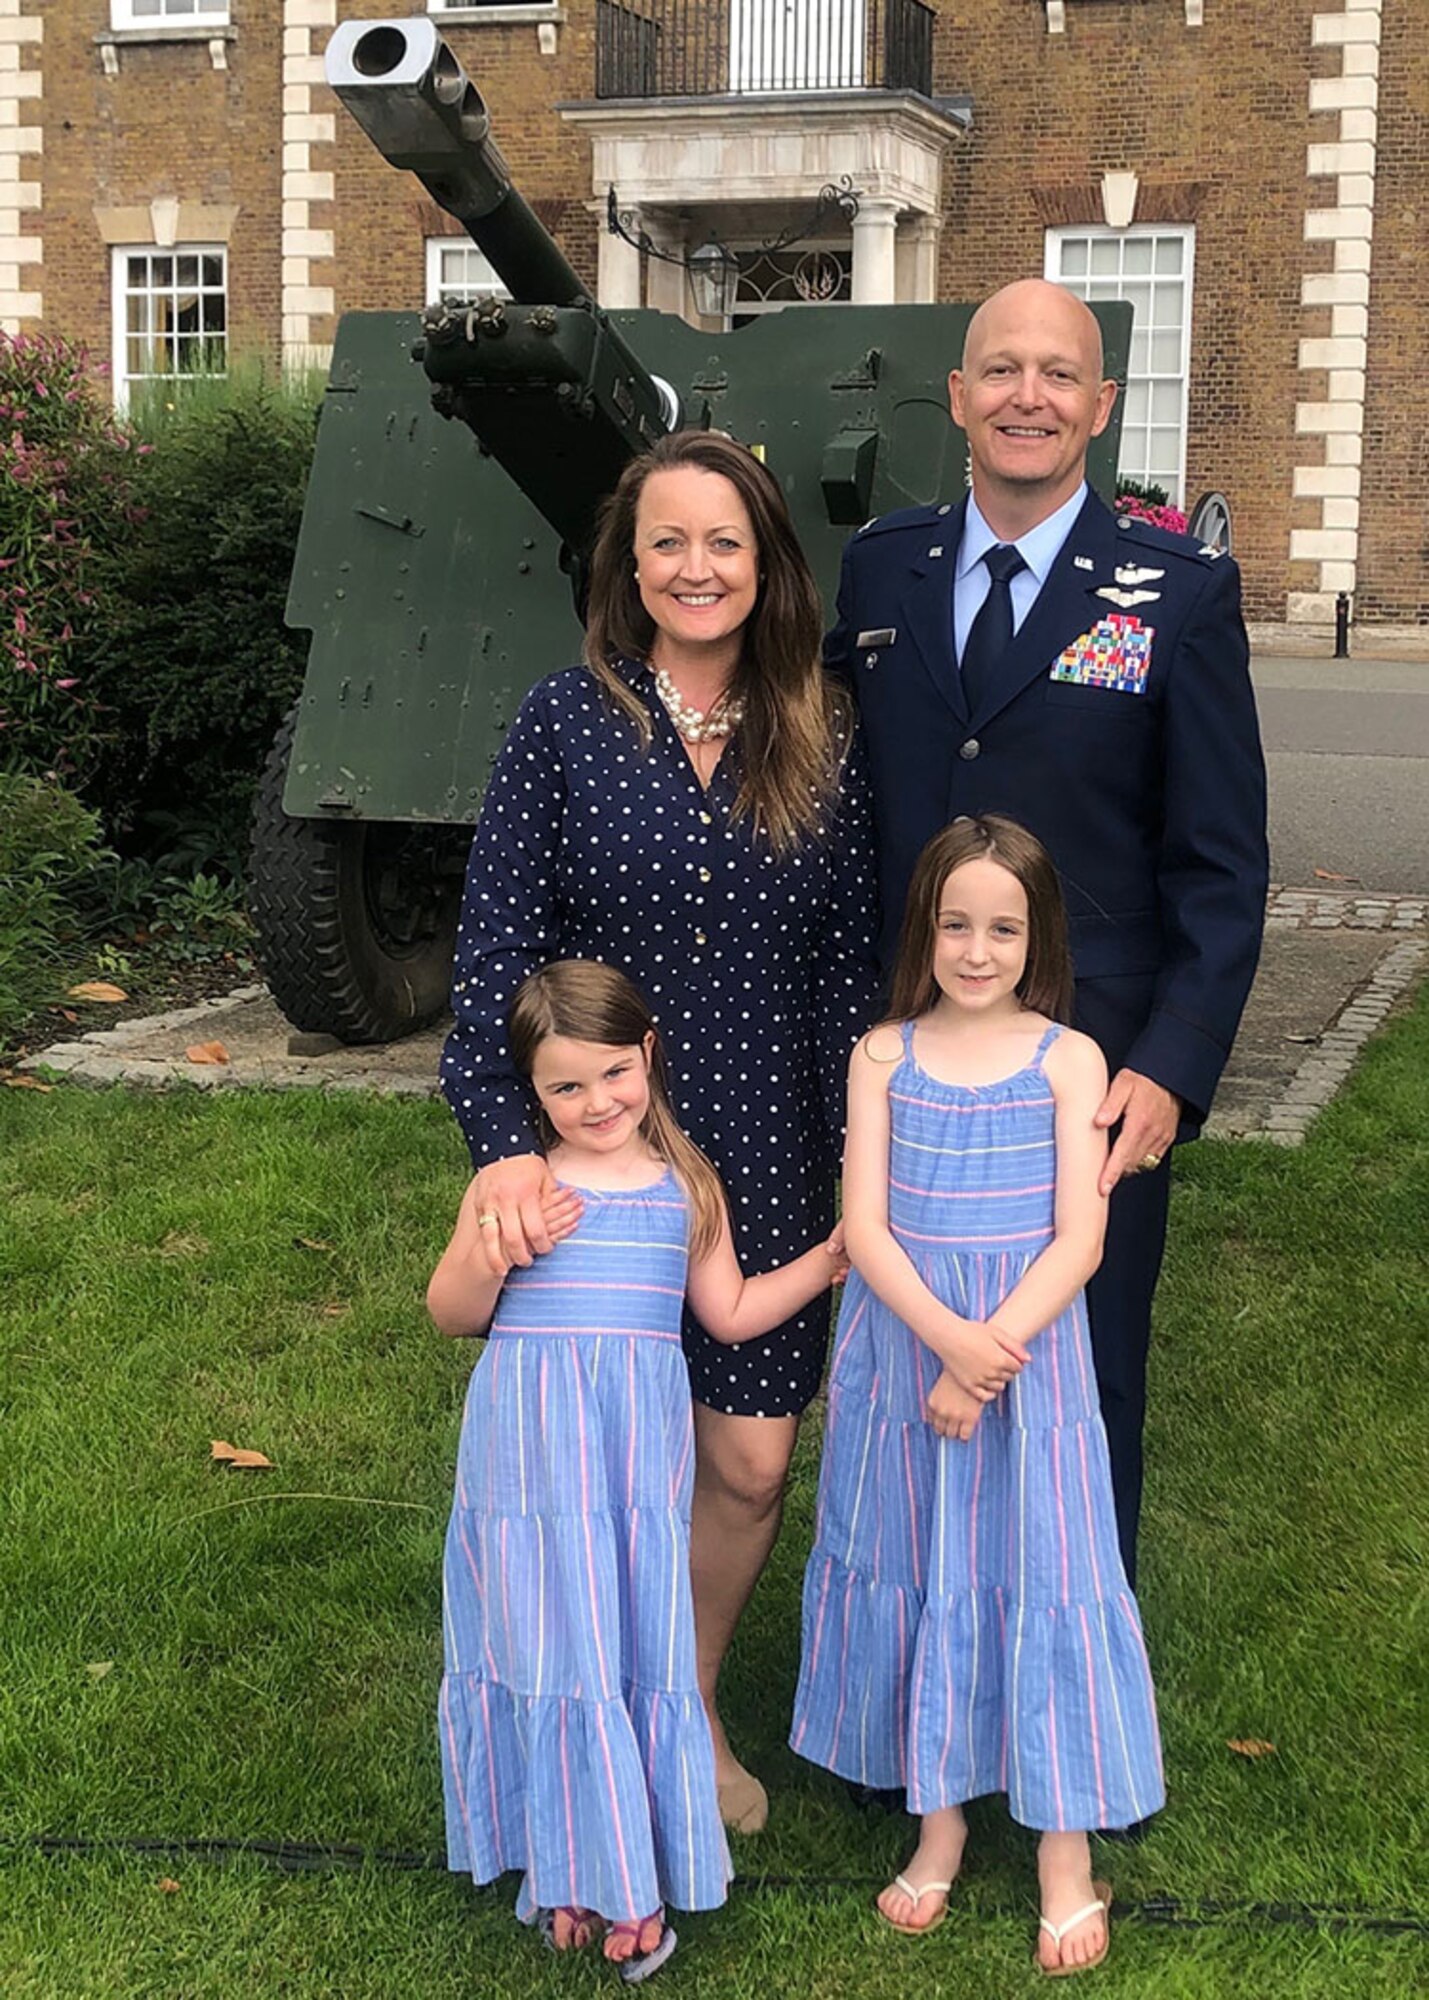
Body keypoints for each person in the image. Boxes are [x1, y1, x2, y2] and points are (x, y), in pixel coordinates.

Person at [440, 429, 880, 1832]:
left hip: (769, 1140)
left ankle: (680, 1700)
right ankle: (589, 1711)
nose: (699, 568)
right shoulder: (560, 725)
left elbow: (849, 968)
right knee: (607, 1460)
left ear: (766, 564)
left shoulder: (821, 728)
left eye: (725, 543)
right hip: (604, 1157)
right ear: (627, 569)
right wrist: (509, 1146)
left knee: (748, 1461)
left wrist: (865, 1156)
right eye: (669, 543)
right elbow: (492, 957)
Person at [826, 278, 1268, 1581]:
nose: (1029, 395)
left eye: (1059, 374)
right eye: (1002, 371)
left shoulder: (1174, 593)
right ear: (957, 399)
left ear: (1101, 407)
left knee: (1085, 1377)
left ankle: (1071, 1705)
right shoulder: (879, 569)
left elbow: (1221, 863)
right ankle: (926, 1686)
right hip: (914, 1066)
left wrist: (1174, 1065)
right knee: (916, 1368)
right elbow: (858, 818)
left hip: (1095, 1072)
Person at [790, 817, 1164, 1973]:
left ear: (1035, 934)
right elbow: (866, 1224)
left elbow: (1081, 1235)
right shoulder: (881, 1056)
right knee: (921, 1564)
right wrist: (948, 1346)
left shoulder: (1069, 1058)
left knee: (1040, 1571)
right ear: (925, 929)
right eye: (955, 922)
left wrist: (990, 1350)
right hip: (906, 1351)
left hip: (1026, 1360)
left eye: (1003, 925)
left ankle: (1064, 1848)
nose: (976, 946)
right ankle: (938, 1818)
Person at [431, 960, 849, 1978]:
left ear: (648, 1055)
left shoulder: (685, 1185)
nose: (594, 1102)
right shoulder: (522, 1183)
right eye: (562, 1087)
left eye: (612, 1072)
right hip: (530, 1460)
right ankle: (573, 1868)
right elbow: (450, 1310)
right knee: (548, 1642)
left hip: (629, 1469)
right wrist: (496, 1249)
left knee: (618, 1642)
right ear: (531, 1092)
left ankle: (617, 1859)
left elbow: (732, 1312)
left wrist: (836, 1255)